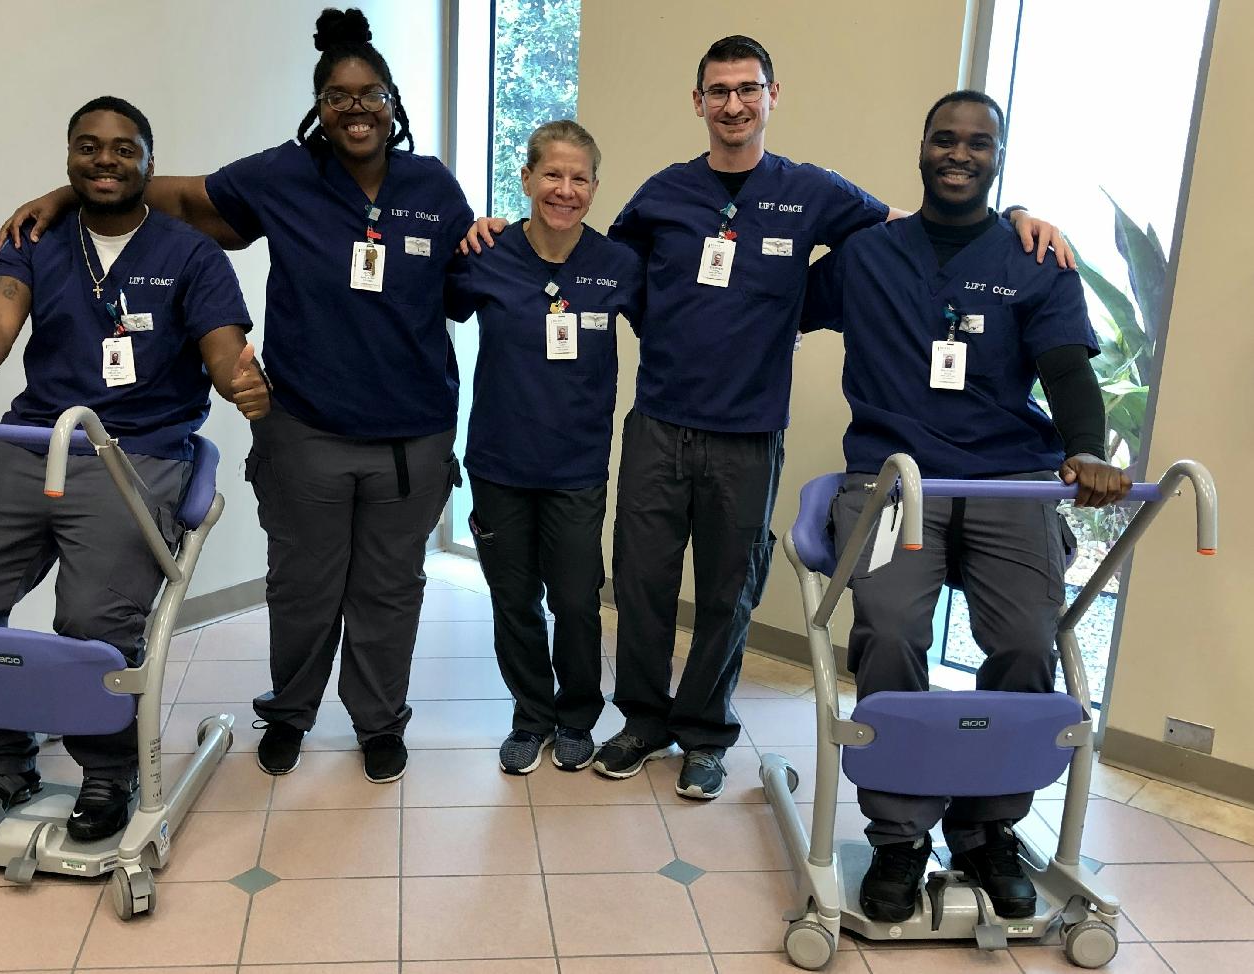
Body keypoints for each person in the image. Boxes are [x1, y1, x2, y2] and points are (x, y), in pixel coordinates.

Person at [467, 35, 1072, 801]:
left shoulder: (812, 191)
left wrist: (1015, 215)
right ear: (698, 102)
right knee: (644, 586)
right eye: (718, 91)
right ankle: (644, 721)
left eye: (747, 89)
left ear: (771, 97)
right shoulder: (661, 194)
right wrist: (499, 230)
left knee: (729, 591)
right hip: (657, 424)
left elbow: (917, 225)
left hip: (749, 434)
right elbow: (585, 258)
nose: (733, 104)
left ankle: (706, 733)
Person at [0, 8, 474, 784]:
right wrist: (67, 194)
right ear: (318, 108)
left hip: (409, 440)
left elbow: (460, 286)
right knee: (303, 587)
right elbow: (172, 199)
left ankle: (380, 721)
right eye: (338, 95)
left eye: (370, 92)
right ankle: (290, 711)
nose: (355, 107)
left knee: (390, 590)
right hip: (306, 430)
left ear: (394, 102)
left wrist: (493, 234)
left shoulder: (434, 186)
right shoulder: (283, 176)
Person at [802, 89, 1131, 922]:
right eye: (945, 139)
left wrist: (1084, 449)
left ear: (997, 157)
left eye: (978, 143)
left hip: (1007, 479)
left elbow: (1065, 370)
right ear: (921, 148)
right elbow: (772, 301)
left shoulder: (1035, 259)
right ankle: (900, 834)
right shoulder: (869, 253)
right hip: (893, 478)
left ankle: (987, 830)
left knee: (1027, 639)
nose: (960, 153)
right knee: (890, 628)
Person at [0, 96, 268, 842]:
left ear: (148, 159)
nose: (105, 159)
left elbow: (220, 340)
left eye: (122, 147)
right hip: (35, 443)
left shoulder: (189, 253)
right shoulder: (39, 238)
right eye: (88, 146)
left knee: (95, 623)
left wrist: (239, 379)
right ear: (69, 157)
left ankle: (109, 771)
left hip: (136, 452)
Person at [444, 120, 643, 774]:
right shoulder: (486, 255)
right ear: (526, 178)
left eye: (579, 177)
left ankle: (577, 715)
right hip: (500, 464)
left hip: (577, 470)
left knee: (578, 601)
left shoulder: (616, 264)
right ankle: (531, 717)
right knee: (515, 601)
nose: (564, 189)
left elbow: (678, 330)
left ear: (594, 187)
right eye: (551, 174)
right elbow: (426, 311)